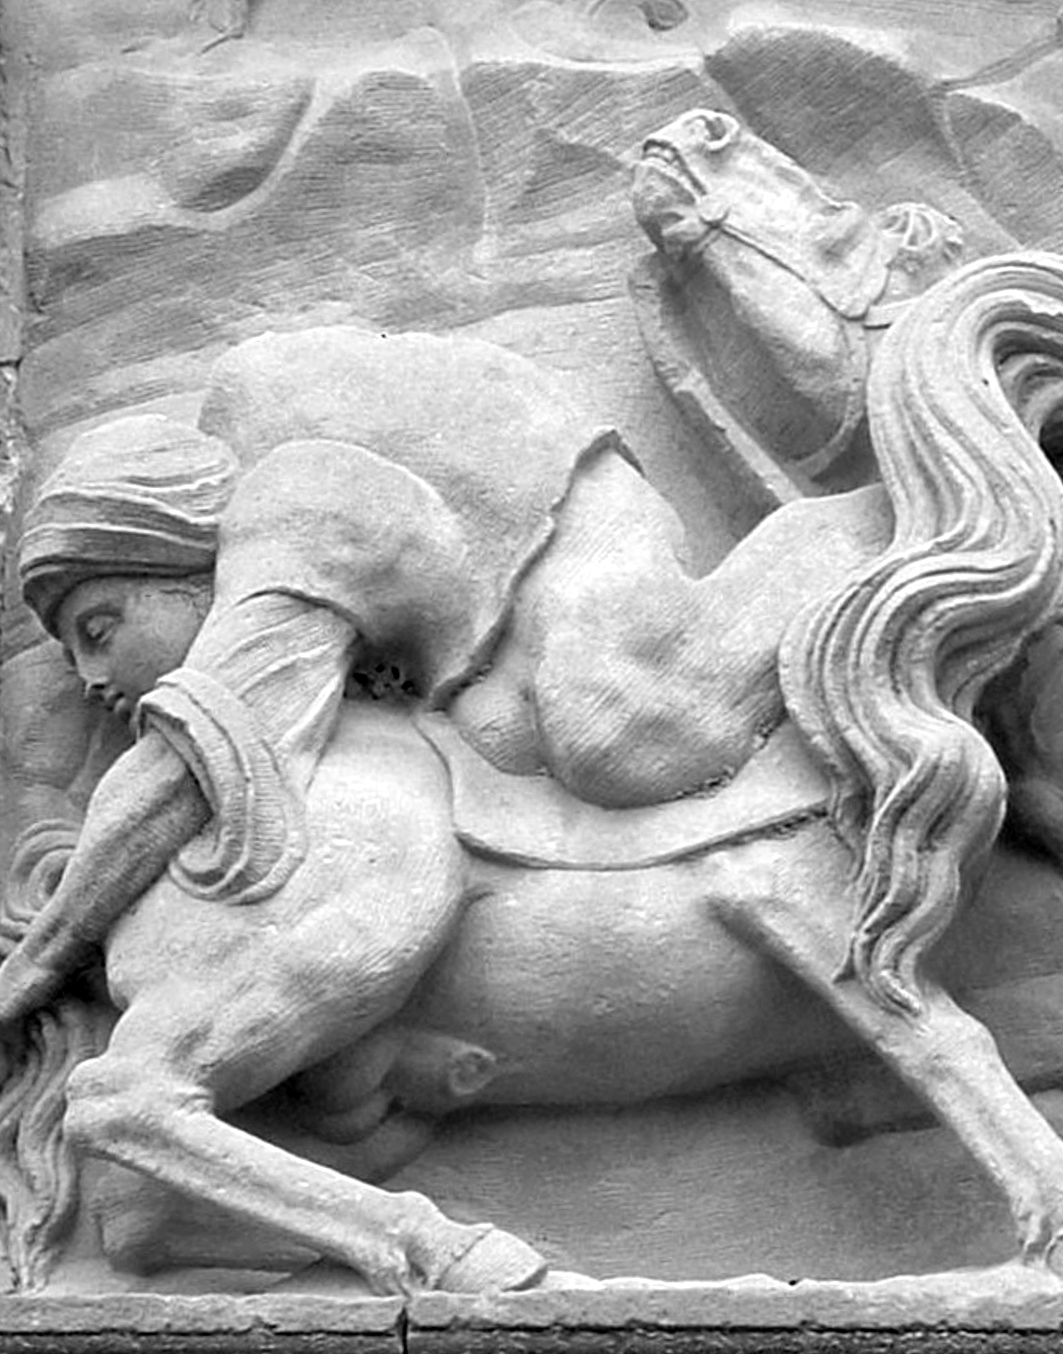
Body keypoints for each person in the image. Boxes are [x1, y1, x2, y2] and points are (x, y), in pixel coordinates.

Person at [2, 324, 891, 1025]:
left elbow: (178, 771)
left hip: (556, 542)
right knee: (500, 745)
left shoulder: (290, 512)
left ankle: (875, 530)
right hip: (475, 647)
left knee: (617, 737)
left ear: (170, 557)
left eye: (100, 627)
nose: (90, 677)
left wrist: (37, 963)